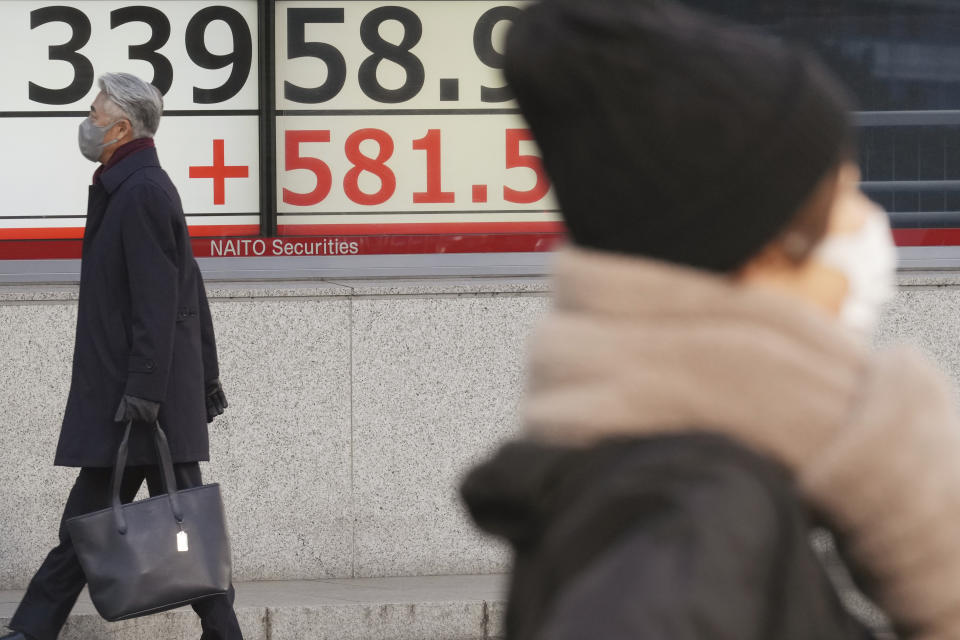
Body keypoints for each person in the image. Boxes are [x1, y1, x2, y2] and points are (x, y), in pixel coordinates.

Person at [462, 0, 960, 638]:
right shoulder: (698, 512)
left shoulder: (678, 484)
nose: (870, 228)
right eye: (842, 200)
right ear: (758, 256)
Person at [1, 73, 238, 640]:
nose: (87, 120)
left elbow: (162, 301)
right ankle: (33, 628)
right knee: (98, 523)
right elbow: (190, 289)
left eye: (94, 110)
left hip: (138, 398)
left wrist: (148, 391)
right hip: (134, 395)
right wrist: (197, 377)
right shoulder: (125, 187)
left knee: (146, 523)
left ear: (121, 126)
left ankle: (34, 628)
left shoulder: (141, 193)